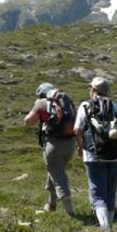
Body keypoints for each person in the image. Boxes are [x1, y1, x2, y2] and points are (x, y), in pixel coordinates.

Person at [74, 76, 117, 232]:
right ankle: (109, 228)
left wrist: (81, 147)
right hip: (115, 156)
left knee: (97, 194)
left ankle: (105, 229)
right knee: (110, 191)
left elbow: (77, 129)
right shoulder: (115, 107)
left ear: (94, 90)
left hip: (94, 156)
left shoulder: (85, 106)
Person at [24, 82, 76, 215]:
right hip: (70, 144)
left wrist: (36, 106)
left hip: (53, 145)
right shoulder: (66, 101)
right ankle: (51, 205)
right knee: (54, 171)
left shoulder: (41, 103)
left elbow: (28, 121)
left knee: (59, 178)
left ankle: (71, 213)